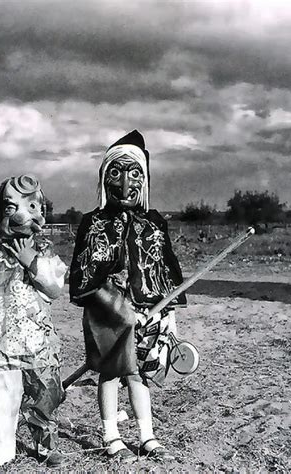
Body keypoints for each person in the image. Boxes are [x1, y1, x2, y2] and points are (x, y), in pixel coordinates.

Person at [69, 130, 186, 462]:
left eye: (134, 173)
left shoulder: (154, 223)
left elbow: (165, 272)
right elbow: (85, 277)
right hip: (107, 316)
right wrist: (119, 308)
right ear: (105, 177)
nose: (124, 184)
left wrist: (168, 316)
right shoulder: (93, 223)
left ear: (145, 179)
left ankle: (147, 437)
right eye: (116, 172)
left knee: (140, 374)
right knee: (110, 374)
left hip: (149, 315)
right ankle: (112, 437)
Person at [0, 174, 67, 470]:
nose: (20, 215)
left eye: (31, 206)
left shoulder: (45, 252)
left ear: (41, 211)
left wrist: (31, 259)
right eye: (10, 208)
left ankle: (44, 446)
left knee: (45, 397)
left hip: (38, 346)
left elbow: (54, 288)